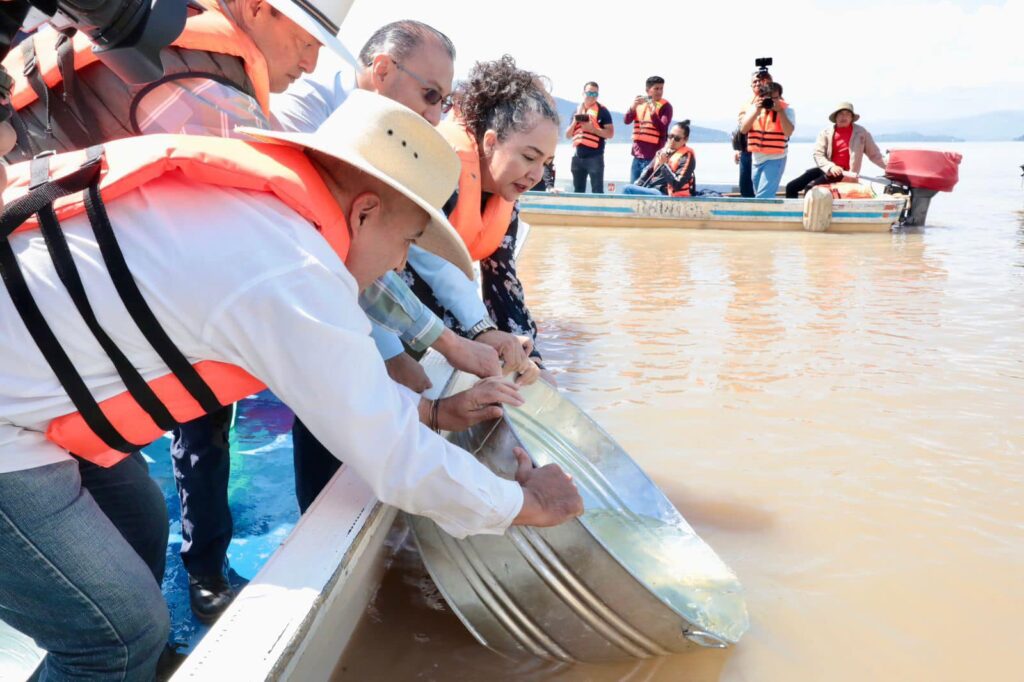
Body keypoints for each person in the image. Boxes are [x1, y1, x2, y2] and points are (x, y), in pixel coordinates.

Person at [0, 91, 584, 681]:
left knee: (141, 521)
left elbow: (355, 394)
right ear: (363, 211)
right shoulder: (292, 271)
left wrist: (435, 413)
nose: (397, 266)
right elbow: (393, 459)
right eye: (406, 242)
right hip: (7, 421)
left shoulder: (268, 217)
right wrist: (525, 505)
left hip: (28, 384)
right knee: (120, 635)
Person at [273, 23, 543, 512]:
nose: (437, 114)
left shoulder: (408, 143)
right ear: (382, 70)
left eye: (445, 100)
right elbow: (339, 257)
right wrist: (400, 349)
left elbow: (418, 249)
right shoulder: (305, 116)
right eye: (431, 95)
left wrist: (478, 331)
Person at [785, 102, 886, 198]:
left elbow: (875, 155)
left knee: (811, 189)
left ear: (851, 118)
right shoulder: (826, 132)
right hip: (828, 169)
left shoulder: (861, 133)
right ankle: (791, 214)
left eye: (847, 114)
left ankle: (810, 215)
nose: (844, 117)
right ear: (836, 117)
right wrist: (830, 167)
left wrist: (890, 168)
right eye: (841, 114)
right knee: (791, 187)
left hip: (846, 174)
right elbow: (818, 154)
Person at [740, 77, 794, 198]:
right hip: (756, 159)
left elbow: (788, 132)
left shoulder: (787, 110)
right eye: (767, 97)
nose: (771, 101)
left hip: (776, 158)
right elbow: (743, 129)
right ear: (762, 97)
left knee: (763, 197)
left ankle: (760, 217)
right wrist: (756, 111)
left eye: (775, 97)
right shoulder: (754, 108)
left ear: (780, 97)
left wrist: (780, 112)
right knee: (760, 195)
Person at [621, 120, 696, 197]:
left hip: (668, 194)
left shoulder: (687, 156)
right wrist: (636, 186)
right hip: (653, 190)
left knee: (627, 189)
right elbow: (647, 174)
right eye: (670, 136)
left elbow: (677, 184)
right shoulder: (662, 152)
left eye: (677, 138)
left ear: (685, 139)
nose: (672, 140)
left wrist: (664, 165)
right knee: (631, 188)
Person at [565, 81, 613, 193]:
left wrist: (593, 129)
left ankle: (599, 210)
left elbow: (610, 133)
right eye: (589, 93)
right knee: (578, 190)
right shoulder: (576, 111)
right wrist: (574, 122)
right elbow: (567, 135)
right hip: (578, 157)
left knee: (597, 191)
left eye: (595, 94)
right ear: (583, 93)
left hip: (595, 157)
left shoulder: (603, 111)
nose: (592, 96)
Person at [623, 76, 672, 183]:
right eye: (656, 88)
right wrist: (633, 106)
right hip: (637, 156)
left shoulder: (666, 107)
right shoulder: (640, 103)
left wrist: (653, 112)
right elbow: (626, 120)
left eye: (661, 88)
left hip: (653, 158)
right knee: (633, 189)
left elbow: (663, 128)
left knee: (647, 188)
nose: (659, 92)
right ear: (647, 90)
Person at [733, 70, 772, 198]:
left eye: (760, 80)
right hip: (747, 150)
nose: (757, 83)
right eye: (754, 81)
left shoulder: (775, 100)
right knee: (745, 186)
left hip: (768, 151)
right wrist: (737, 149)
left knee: (762, 189)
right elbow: (741, 128)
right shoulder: (746, 104)